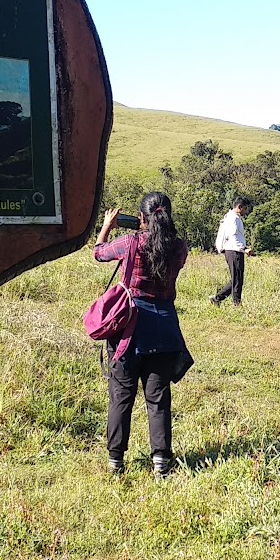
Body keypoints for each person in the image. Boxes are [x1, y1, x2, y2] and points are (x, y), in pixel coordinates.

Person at [95, 192, 193, 478]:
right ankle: (161, 462)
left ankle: (116, 461)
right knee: (158, 398)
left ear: (141, 217)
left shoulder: (131, 242)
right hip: (164, 328)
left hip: (129, 328)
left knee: (121, 396)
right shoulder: (179, 248)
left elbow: (99, 253)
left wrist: (107, 226)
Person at [210, 196, 252, 307]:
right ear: (240, 207)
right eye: (245, 208)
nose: (246, 211)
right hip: (234, 251)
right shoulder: (233, 219)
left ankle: (217, 298)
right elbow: (232, 236)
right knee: (237, 279)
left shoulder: (229, 217)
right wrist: (244, 250)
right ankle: (236, 304)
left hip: (232, 250)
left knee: (236, 278)